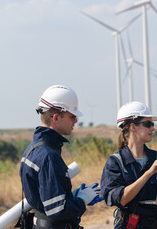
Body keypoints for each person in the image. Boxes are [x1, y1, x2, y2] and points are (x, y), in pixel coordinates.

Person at [20, 85, 103, 229]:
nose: (76, 121)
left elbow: (45, 199)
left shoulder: (33, 149)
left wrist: (71, 197)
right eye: (72, 116)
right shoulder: (48, 156)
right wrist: (82, 200)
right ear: (56, 118)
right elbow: (57, 210)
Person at [101, 101, 157, 229]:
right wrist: (149, 172)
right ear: (132, 126)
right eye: (148, 124)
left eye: (153, 124)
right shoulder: (116, 162)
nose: (153, 128)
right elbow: (121, 199)